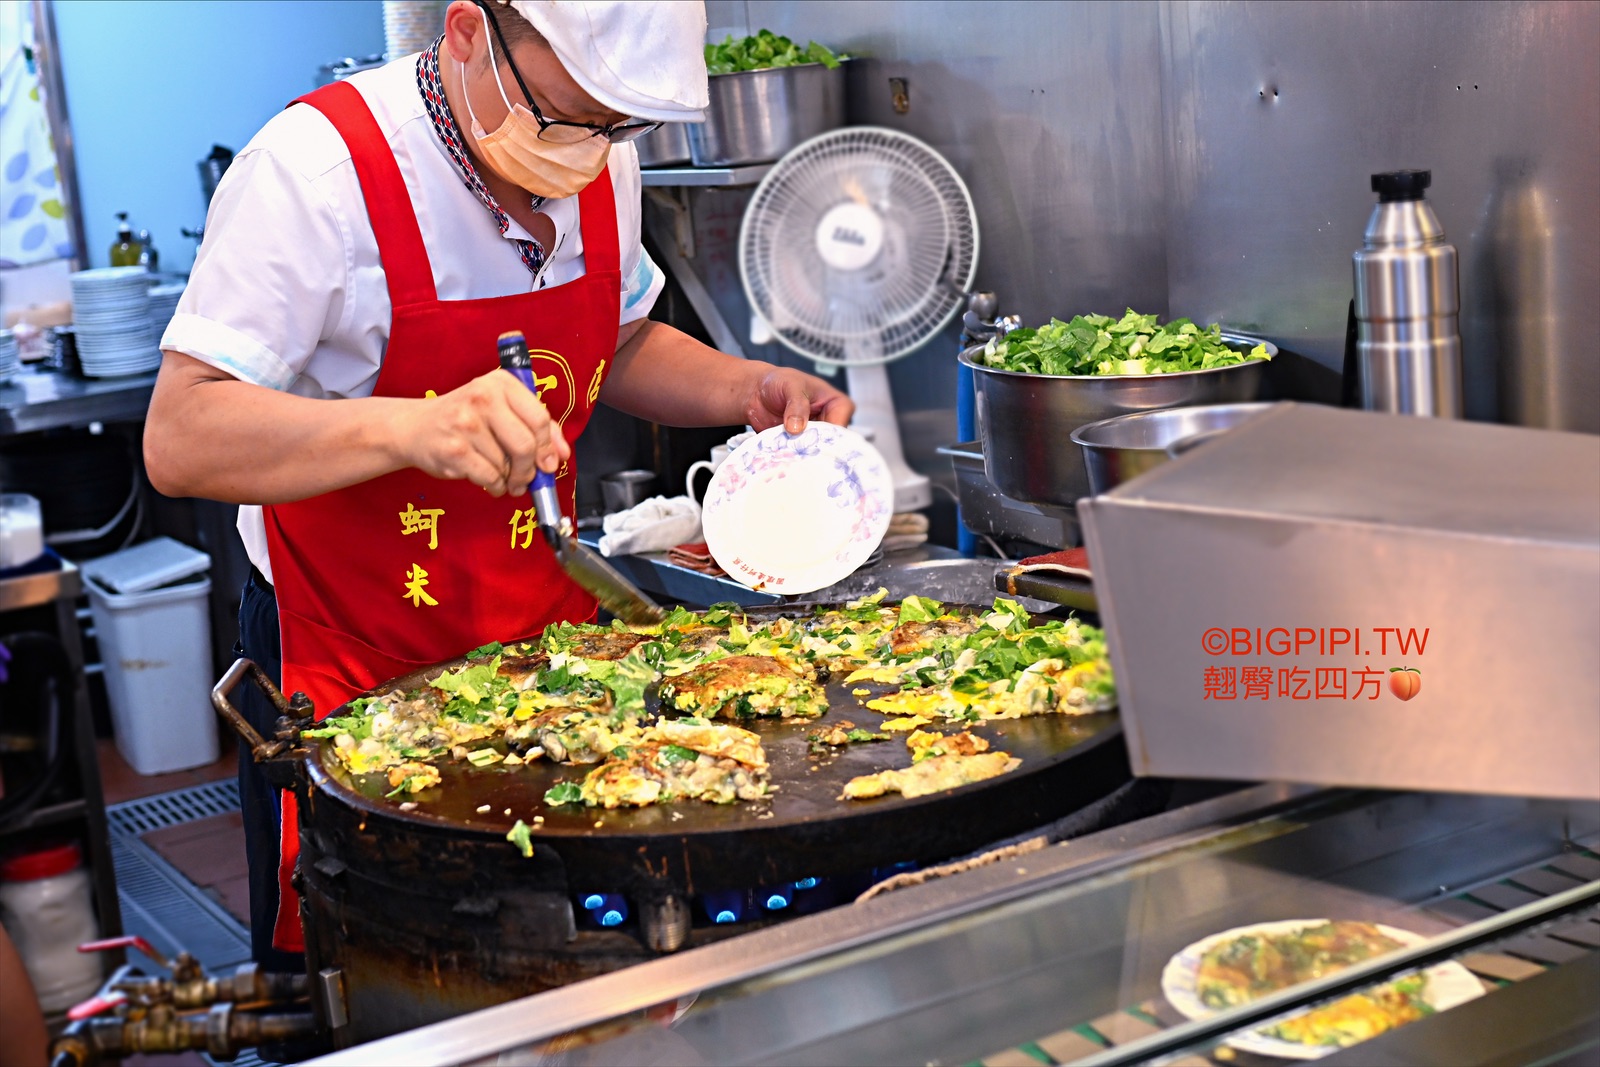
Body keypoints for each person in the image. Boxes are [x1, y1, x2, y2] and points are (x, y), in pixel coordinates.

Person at [142, 0, 851, 970]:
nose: (589, 154)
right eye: (564, 119)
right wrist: (413, 424)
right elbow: (182, 435)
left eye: (619, 128)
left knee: (580, 961)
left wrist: (744, 388)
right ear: (470, 32)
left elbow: (622, 333)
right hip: (355, 658)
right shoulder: (316, 172)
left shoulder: (601, 152)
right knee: (383, 966)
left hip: (550, 650)